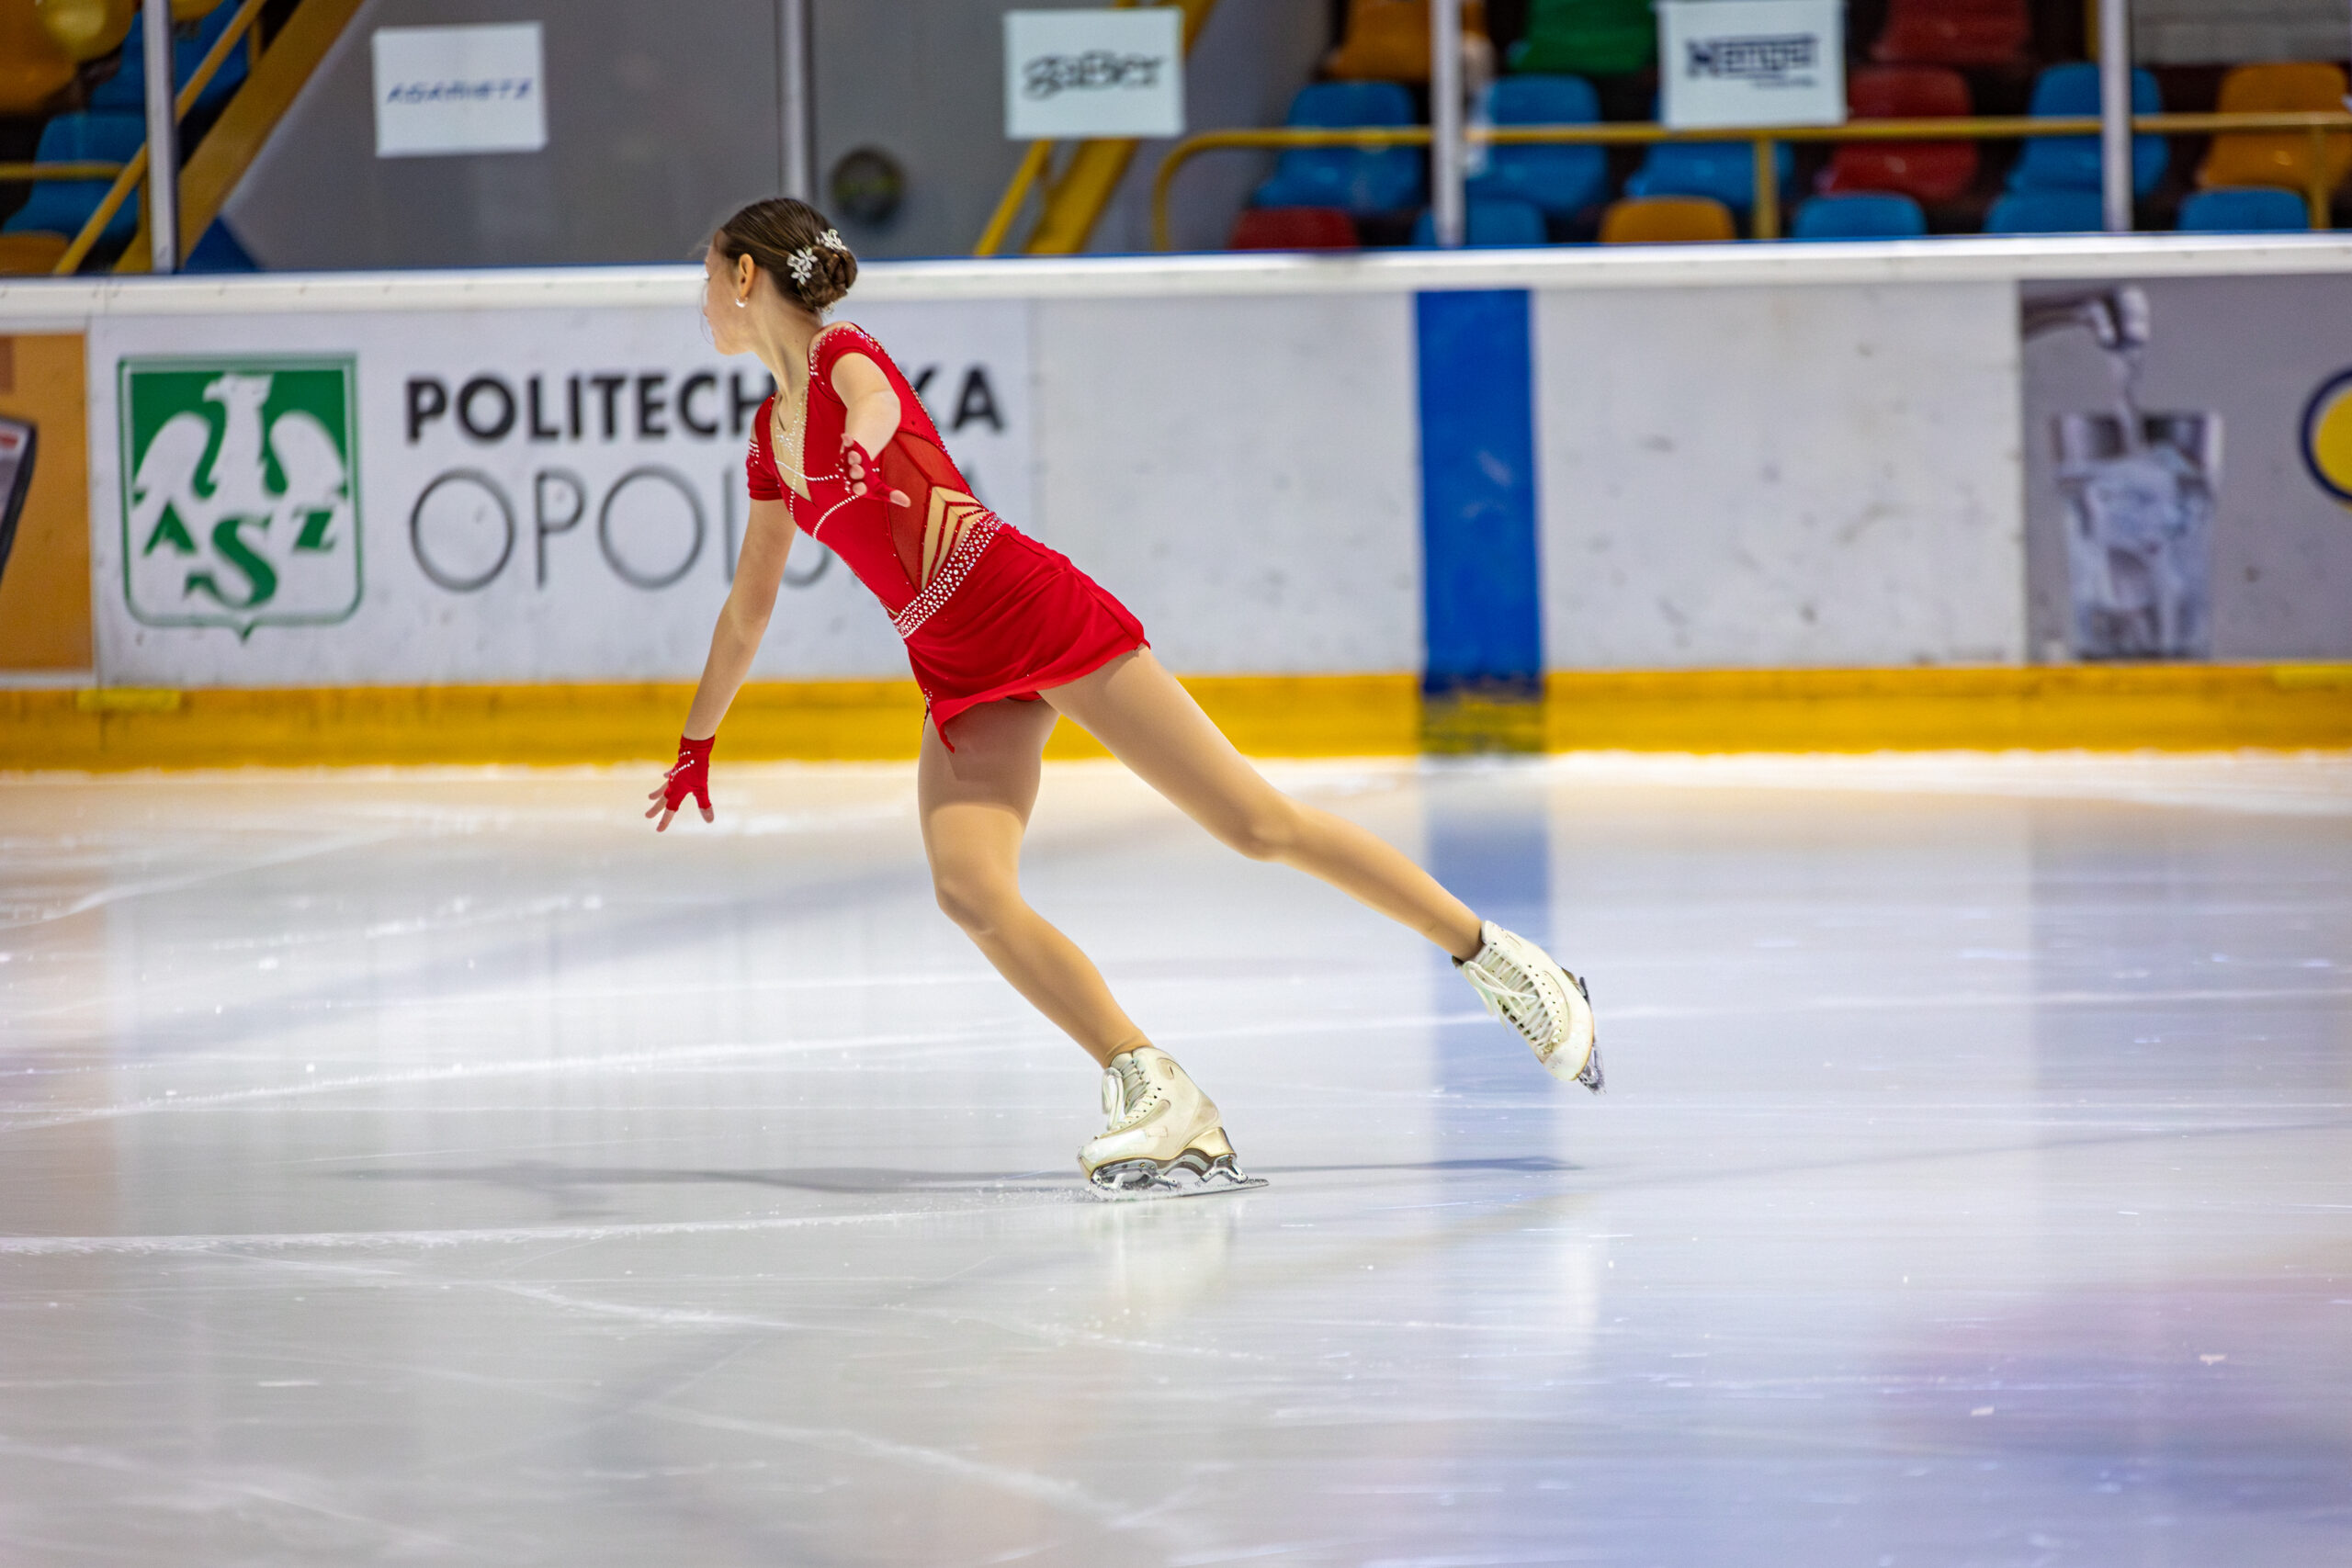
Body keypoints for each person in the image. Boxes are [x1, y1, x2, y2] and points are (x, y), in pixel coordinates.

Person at [652, 197, 1601, 1200]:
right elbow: (749, 607)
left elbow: (874, 403)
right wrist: (696, 742)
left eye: (706, 277)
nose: (701, 301)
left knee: (1255, 823)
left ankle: (1503, 962)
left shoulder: (847, 355)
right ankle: (1153, 1086)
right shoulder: (767, 438)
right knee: (970, 889)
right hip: (954, 662)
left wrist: (861, 446)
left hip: (1025, 605)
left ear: (746, 277)